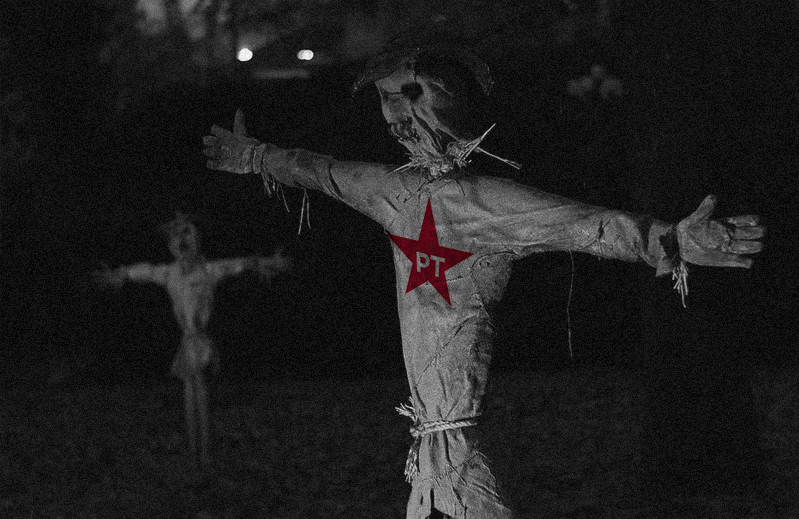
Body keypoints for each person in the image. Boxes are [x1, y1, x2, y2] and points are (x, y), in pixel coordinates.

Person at [202, 43, 764, 518]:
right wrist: (254, 157)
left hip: (458, 448)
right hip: (430, 446)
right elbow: (321, 171)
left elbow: (588, 225)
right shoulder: (395, 191)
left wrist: (671, 240)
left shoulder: (481, 202)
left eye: (410, 95)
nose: (396, 113)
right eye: (387, 97)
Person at [95, 211, 289, 469]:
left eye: (188, 236)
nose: (183, 243)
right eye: (178, 238)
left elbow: (236, 265)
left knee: (199, 391)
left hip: (199, 338)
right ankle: (196, 452)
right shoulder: (170, 273)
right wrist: (122, 273)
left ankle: (203, 452)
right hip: (188, 339)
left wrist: (262, 263)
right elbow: (146, 271)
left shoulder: (207, 270)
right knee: (192, 391)